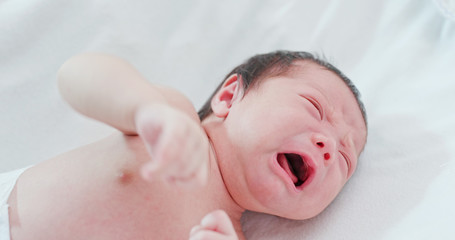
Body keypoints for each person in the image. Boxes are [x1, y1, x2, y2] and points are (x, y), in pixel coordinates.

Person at [1, 50, 367, 240]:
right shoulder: (174, 118)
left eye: (345, 159)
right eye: (314, 107)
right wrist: (145, 108)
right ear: (228, 97)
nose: (328, 147)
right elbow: (77, 74)